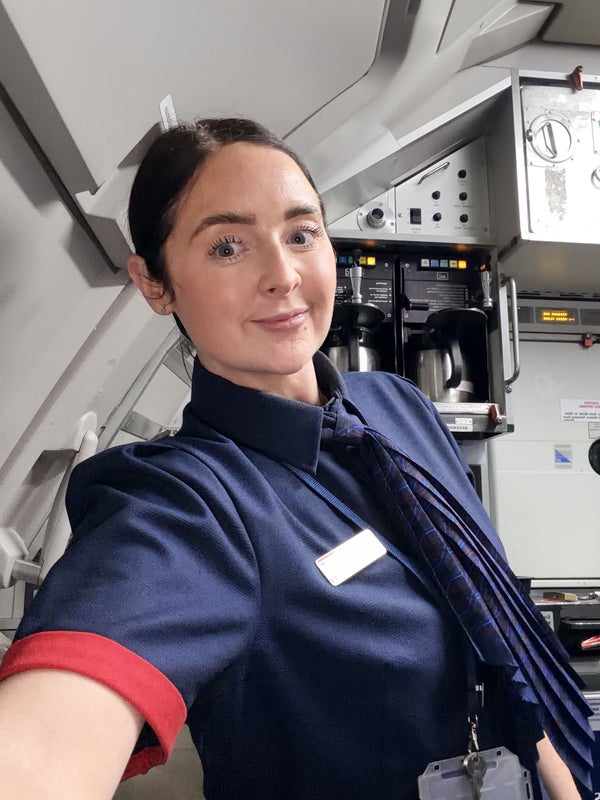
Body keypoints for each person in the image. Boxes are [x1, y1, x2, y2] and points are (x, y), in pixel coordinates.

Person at [0, 118, 593, 800]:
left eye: (301, 234)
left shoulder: (400, 407)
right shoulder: (186, 504)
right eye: (227, 246)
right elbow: (47, 741)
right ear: (155, 284)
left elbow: (492, 628)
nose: (282, 276)